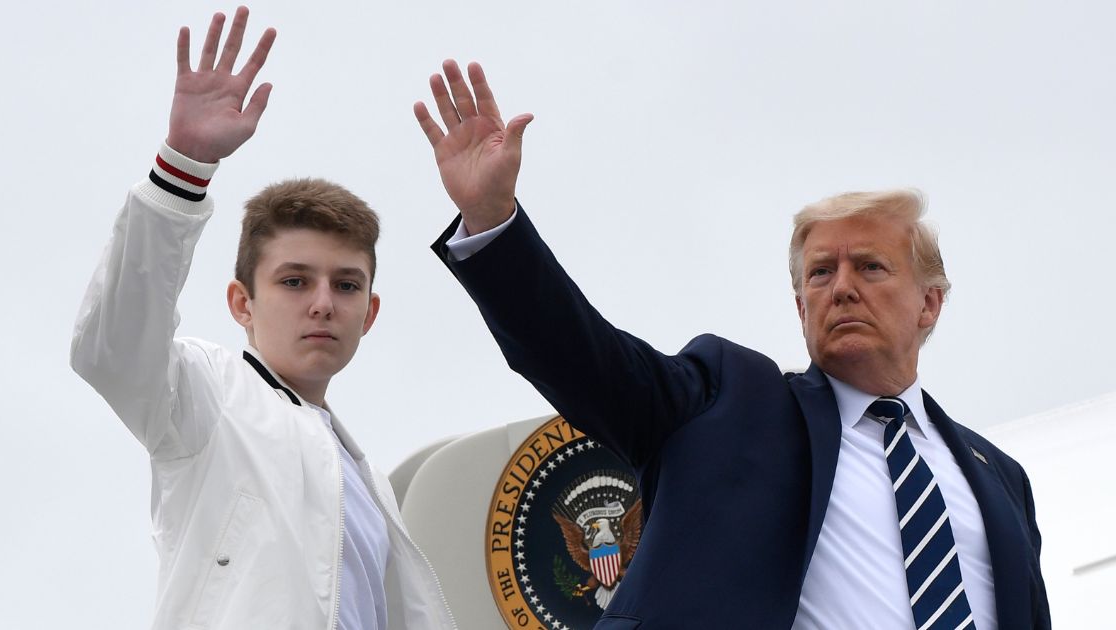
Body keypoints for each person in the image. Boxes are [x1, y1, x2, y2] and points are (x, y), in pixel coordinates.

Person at [414, 60, 1050, 629]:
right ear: (800, 305)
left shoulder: (1000, 478)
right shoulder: (727, 400)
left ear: (930, 303)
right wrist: (494, 224)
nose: (842, 289)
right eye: (822, 273)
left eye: (872, 269)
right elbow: (582, 357)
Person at [70, 8, 455, 629]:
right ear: (241, 303)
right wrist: (183, 167)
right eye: (295, 281)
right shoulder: (204, 395)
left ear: (370, 313)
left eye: (346, 284)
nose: (323, 302)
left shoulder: (372, 489)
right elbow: (112, 348)